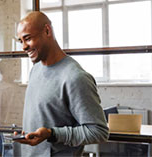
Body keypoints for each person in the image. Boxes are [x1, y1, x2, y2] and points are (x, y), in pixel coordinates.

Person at [14, 11, 109, 156]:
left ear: (47, 31)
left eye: (28, 38)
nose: (24, 47)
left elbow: (98, 131)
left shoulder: (75, 77)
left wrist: (53, 134)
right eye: (21, 41)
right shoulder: (35, 70)